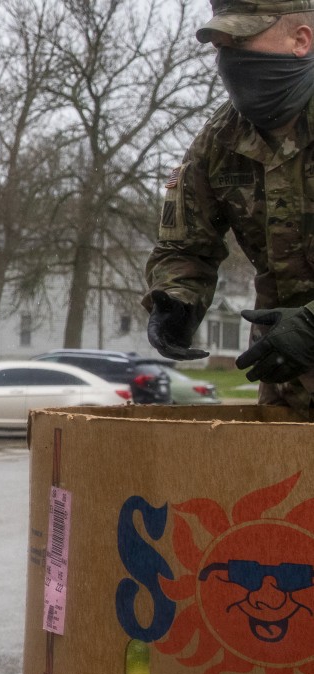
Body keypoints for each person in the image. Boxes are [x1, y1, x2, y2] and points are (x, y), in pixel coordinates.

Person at [144, 0, 314, 414]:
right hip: (288, 386)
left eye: (242, 40)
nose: (230, 60)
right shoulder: (219, 139)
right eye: (222, 45)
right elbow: (185, 246)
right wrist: (177, 299)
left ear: (301, 39)